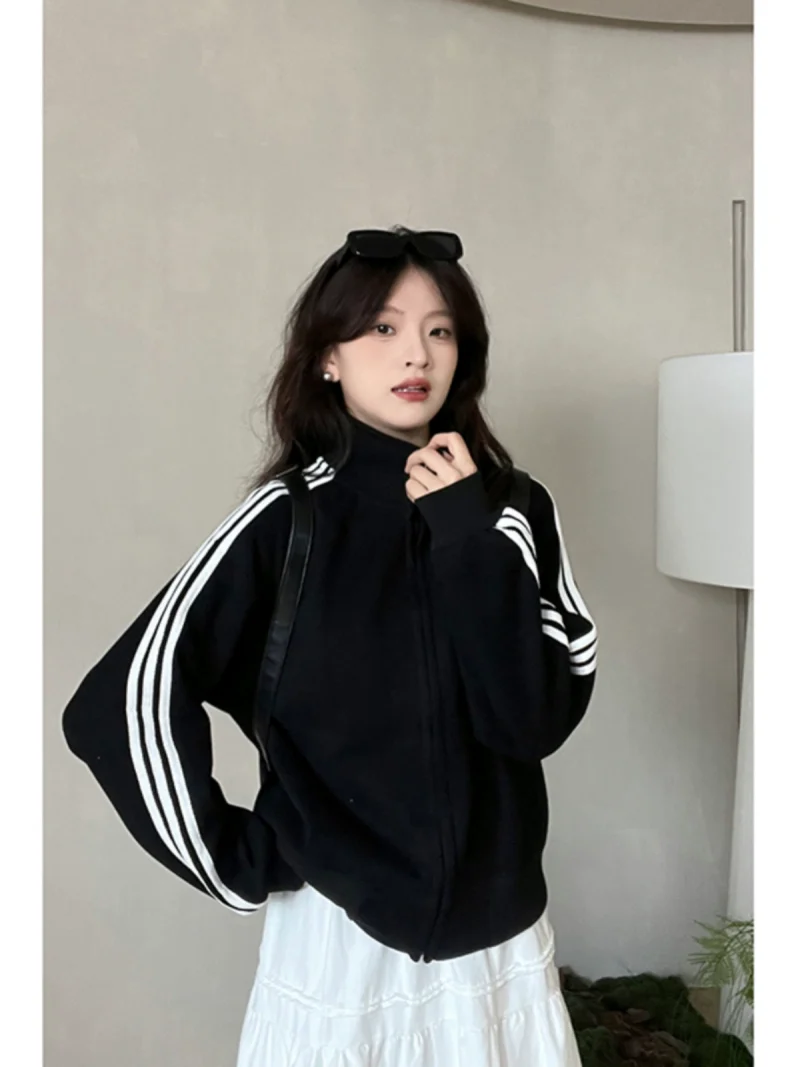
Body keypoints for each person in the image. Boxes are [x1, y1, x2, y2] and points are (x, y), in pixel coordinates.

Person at [62, 226, 598, 1066]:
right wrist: (234, 857)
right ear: (327, 358)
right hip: (340, 947)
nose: (416, 353)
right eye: (382, 327)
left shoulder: (515, 509)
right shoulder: (286, 519)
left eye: (440, 329)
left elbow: (529, 720)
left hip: (499, 952)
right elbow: (117, 702)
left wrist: (465, 537)